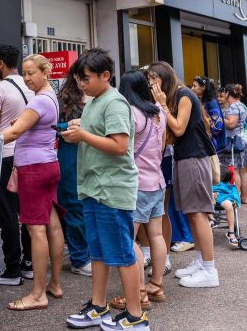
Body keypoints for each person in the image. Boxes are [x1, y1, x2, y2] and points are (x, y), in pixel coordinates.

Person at [63, 49, 149, 330]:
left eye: (85, 78)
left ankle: (136, 316)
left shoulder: (114, 102)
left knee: (122, 253)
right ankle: (98, 306)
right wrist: (80, 128)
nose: (81, 84)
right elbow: (102, 136)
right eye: (79, 79)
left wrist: (83, 134)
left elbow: (120, 146)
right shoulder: (96, 101)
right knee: (98, 252)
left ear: (105, 76)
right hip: (94, 188)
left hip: (111, 189)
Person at [0, 54, 65, 311]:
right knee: (53, 226)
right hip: (48, 164)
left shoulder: (39, 100)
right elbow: (28, 126)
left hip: (34, 169)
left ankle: (38, 294)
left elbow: (14, 132)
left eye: (31, 73)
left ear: (45, 72)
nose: (27, 78)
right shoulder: (50, 97)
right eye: (24, 73)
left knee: (35, 229)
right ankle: (55, 285)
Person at [148, 62, 219, 290]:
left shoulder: (184, 94)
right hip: (184, 158)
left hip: (194, 158)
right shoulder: (174, 97)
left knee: (199, 214)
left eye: (153, 79)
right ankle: (200, 261)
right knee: (191, 213)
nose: (151, 84)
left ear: (164, 78)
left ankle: (209, 269)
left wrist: (162, 106)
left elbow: (178, 128)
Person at [114, 70, 168, 309]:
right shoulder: (159, 113)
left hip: (137, 184)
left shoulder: (131, 114)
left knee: (128, 238)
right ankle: (156, 285)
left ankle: (138, 292)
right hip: (157, 181)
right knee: (156, 235)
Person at [0, 44, 36, 286]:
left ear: (0, 62)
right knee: (26, 212)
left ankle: (12, 269)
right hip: (27, 156)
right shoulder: (32, 86)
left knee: (6, 213)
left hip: (5, 155)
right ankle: (29, 264)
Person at [56, 63, 91, 277]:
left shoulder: (100, 99)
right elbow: (53, 128)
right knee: (75, 207)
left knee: (85, 209)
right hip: (71, 160)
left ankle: (84, 254)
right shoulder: (64, 101)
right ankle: (80, 257)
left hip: (90, 160)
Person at [223, 85, 247, 203]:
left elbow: (231, 124)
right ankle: (245, 197)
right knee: (243, 171)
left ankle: (236, 198)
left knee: (235, 170)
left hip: (235, 141)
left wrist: (221, 117)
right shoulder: (242, 106)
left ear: (228, 93)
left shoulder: (233, 107)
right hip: (244, 139)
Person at [192, 76, 226, 155]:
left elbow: (218, 126)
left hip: (212, 146)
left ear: (203, 87)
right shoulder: (198, 102)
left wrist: (205, 125)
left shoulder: (212, 103)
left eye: (195, 86)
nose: (192, 89)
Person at [213, 166, 241, 247]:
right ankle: (211, 219)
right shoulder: (210, 180)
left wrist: (235, 200)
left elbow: (234, 193)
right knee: (208, 200)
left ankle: (231, 232)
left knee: (229, 205)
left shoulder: (228, 184)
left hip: (224, 197)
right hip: (211, 196)